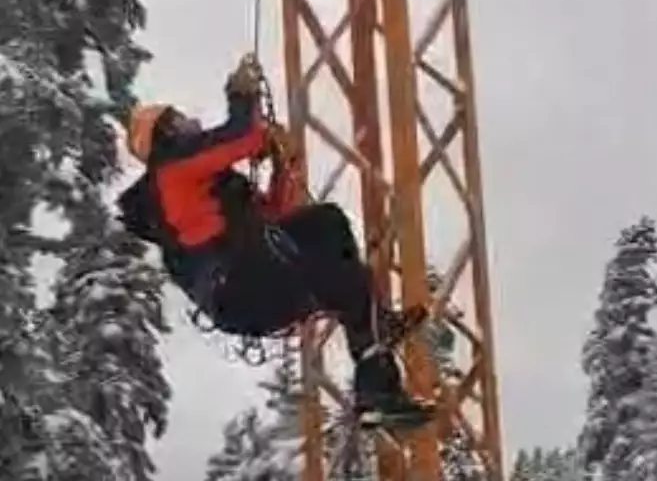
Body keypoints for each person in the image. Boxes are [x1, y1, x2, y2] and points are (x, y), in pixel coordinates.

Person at [118, 54, 433, 429]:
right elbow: (240, 137)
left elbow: (276, 214)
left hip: (246, 286)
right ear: (167, 133)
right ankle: (373, 372)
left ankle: (374, 355)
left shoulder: (209, 188)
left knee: (327, 227)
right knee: (340, 273)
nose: (190, 124)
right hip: (240, 281)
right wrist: (242, 96)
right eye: (178, 120)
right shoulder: (173, 169)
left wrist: (283, 165)